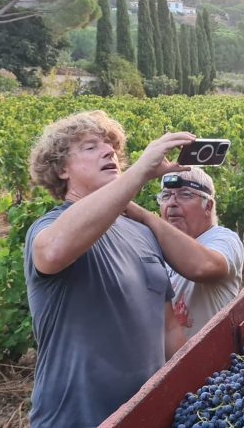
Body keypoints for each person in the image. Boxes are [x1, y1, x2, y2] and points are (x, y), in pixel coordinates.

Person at [24, 110, 190, 428]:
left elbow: (169, 328)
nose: (108, 152)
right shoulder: (49, 228)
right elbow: (53, 252)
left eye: (111, 147)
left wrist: (190, 389)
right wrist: (140, 172)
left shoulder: (141, 232)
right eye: (90, 147)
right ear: (61, 170)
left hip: (150, 417)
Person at [123, 168, 244, 340]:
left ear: (208, 206)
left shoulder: (224, 239)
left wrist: (145, 217)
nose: (172, 202)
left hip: (213, 356)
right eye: (166, 196)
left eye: (185, 195)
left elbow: (204, 267)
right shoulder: (158, 247)